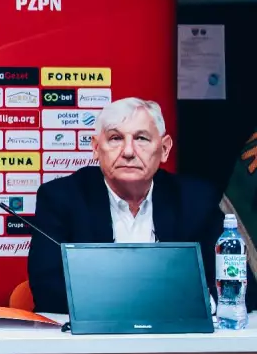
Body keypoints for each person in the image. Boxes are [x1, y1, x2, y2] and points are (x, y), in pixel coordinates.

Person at [27, 97, 245, 313]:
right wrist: (157, 301)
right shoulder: (62, 198)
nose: (128, 152)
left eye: (141, 138)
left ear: (164, 149)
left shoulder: (196, 199)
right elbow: (47, 289)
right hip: (94, 332)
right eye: (115, 138)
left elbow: (234, 282)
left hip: (175, 331)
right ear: (96, 148)